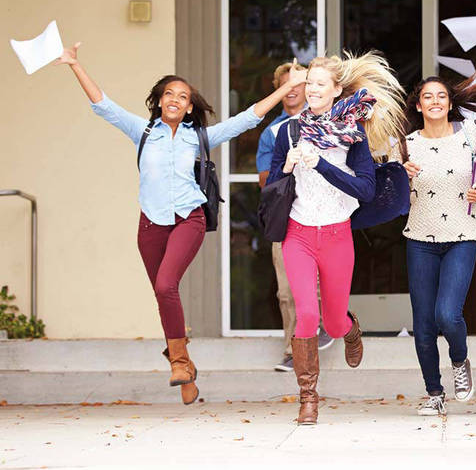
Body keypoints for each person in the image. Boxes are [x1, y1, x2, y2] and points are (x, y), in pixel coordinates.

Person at [58, 42, 306, 405]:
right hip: (151, 223)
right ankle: (185, 366)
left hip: (188, 216)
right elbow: (103, 106)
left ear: (189, 107)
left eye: (183, 95)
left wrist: (286, 89)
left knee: (165, 284)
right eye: (169, 93)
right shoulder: (141, 131)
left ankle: (177, 360)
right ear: (160, 102)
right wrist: (74, 65)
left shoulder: (199, 137)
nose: (175, 98)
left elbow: (247, 119)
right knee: (163, 294)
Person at [267, 51, 405, 425]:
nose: (311, 89)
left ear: (336, 89)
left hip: (336, 234)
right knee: (306, 314)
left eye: (318, 84)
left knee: (332, 321)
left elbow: (364, 189)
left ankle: (350, 328)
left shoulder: (354, 134)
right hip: (298, 233)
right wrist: (288, 166)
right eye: (308, 83)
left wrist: (321, 164)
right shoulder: (287, 130)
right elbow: (275, 184)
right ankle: (308, 398)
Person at [400, 75, 476, 416]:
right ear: (419, 105)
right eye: (428, 96)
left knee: (448, 314)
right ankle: (434, 393)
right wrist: (402, 173)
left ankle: (460, 360)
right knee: (424, 321)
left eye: (441, 95)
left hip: (462, 235)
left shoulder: (470, 136)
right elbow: (392, 192)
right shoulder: (407, 144)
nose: (435, 101)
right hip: (419, 239)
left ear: (450, 103)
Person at [256, 62, 333, 373]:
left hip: (325, 216)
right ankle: (293, 350)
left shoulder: (329, 122)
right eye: (285, 85)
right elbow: (266, 181)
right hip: (286, 219)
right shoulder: (273, 132)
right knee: (286, 291)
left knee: (323, 281)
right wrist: (289, 168)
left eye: (298, 84)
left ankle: (329, 323)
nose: (292, 90)